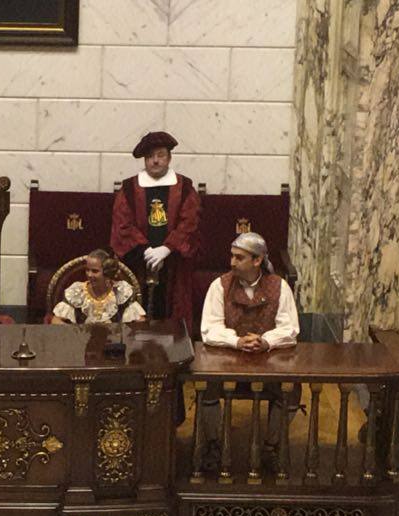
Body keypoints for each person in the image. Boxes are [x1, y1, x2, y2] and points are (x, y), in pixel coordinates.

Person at [193, 232, 299, 474]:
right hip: (228, 360)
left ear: (257, 260)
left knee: (291, 390)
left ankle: (272, 447)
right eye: (231, 256)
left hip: (267, 362)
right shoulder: (219, 286)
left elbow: (289, 328)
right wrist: (237, 341)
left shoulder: (279, 286)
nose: (231, 262)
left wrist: (265, 341)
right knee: (206, 386)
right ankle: (215, 444)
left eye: (239, 257)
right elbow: (209, 328)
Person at [110, 131, 200, 329]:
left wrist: (167, 248)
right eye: (150, 157)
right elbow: (122, 224)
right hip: (138, 263)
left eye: (160, 155)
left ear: (169, 157)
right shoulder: (129, 188)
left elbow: (190, 222)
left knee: (173, 312)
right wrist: (146, 251)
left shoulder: (184, 187)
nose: (155, 161)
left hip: (174, 265)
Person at [50, 249, 146, 324]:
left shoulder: (121, 292)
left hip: (113, 344)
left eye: (95, 271)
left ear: (107, 272)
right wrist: (76, 334)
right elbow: (55, 321)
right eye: (87, 270)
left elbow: (140, 321)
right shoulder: (77, 291)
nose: (89, 275)